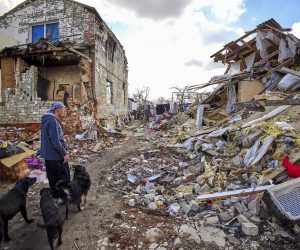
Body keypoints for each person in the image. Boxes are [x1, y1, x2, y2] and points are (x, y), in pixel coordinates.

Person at [40, 101, 70, 201]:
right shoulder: (53, 121)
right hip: (56, 156)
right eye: (63, 110)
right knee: (63, 177)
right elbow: (55, 141)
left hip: (48, 156)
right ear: (58, 110)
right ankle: (63, 197)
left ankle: (55, 196)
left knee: (52, 177)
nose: (64, 112)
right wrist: (64, 154)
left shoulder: (46, 119)